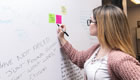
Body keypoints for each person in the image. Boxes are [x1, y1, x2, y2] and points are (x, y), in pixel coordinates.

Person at [57, 4, 140, 80]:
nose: (89, 24)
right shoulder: (97, 48)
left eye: (91, 21)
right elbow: (78, 58)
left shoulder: (119, 59)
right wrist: (62, 38)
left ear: (102, 25)